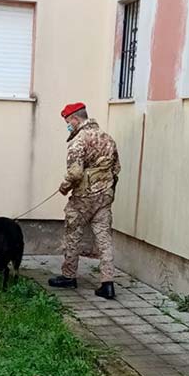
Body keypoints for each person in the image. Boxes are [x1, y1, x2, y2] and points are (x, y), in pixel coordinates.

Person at [48, 102, 121, 300]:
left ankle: (69, 276)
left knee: (73, 234)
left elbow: (75, 172)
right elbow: (116, 169)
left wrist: (64, 187)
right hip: (105, 197)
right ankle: (107, 284)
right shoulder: (108, 138)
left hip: (83, 198)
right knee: (104, 239)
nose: (67, 126)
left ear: (75, 119)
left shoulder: (79, 140)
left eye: (67, 122)